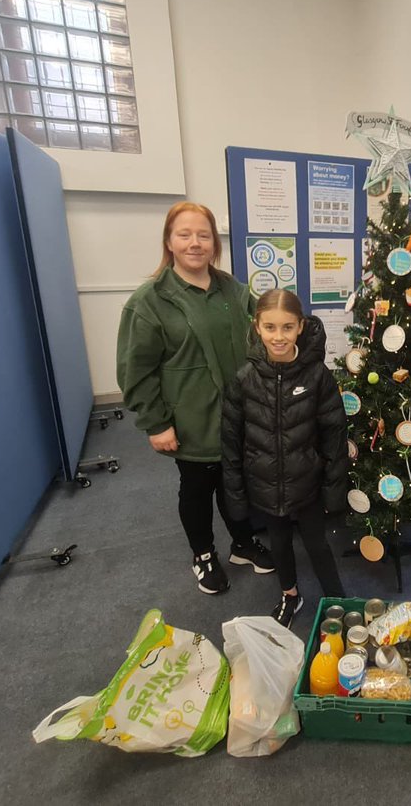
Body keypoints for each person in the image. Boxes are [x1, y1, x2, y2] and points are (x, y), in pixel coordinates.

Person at [116, 202, 274, 595]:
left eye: (204, 235)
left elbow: (263, 338)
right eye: (184, 234)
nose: (195, 243)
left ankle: (242, 544)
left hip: (239, 416)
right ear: (169, 242)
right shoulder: (149, 301)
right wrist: (156, 423)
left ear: (214, 243)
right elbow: (135, 371)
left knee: (235, 484)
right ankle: (203, 553)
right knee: (198, 489)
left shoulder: (234, 291)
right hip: (190, 421)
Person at [222, 290, 348, 628]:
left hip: (306, 482)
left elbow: (335, 434)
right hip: (264, 482)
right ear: (257, 327)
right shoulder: (245, 378)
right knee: (278, 543)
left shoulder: (317, 376)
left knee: (317, 545)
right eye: (270, 327)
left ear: (300, 327)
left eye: (287, 328)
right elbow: (231, 440)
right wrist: (235, 494)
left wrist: (334, 488)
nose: (279, 337)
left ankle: (339, 599)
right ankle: (290, 594)